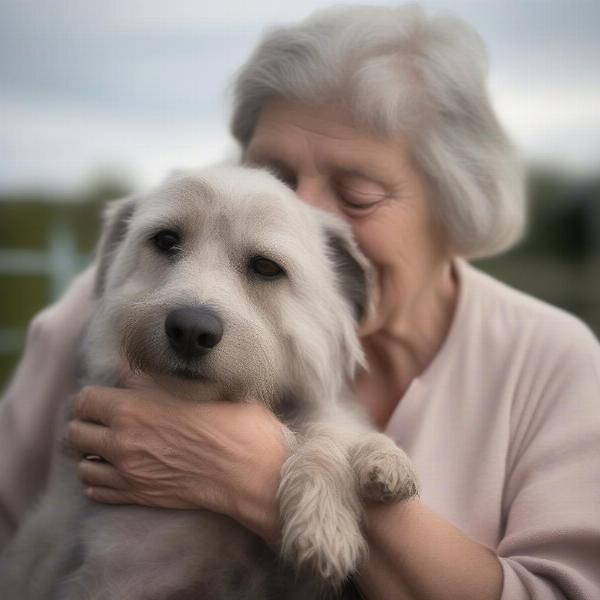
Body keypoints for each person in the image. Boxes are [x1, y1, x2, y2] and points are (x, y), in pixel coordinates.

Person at [1, 5, 599, 599]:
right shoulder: (111, 307)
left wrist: (259, 479)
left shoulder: (550, 364)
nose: (303, 219)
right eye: (274, 175)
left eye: (358, 193)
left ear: (455, 210)